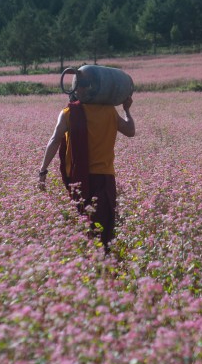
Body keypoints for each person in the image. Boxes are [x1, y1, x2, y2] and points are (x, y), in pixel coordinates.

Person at [38, 79, 135, 254]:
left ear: (78, 89)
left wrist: (42, 171)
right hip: (105, 179)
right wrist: (127, 109)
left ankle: (94, 268)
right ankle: (102, 266)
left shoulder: (69, 112)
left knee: (85, 226)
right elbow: (130, 131)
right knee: (103, 229)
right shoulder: (109, 112)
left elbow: (54, 140)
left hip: (80, 180)